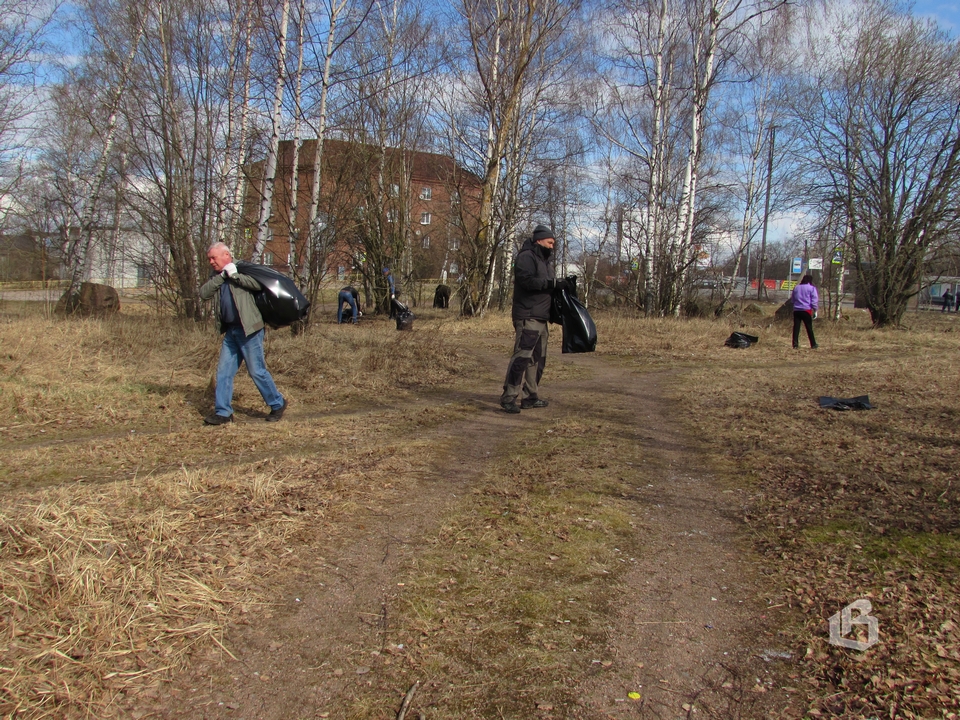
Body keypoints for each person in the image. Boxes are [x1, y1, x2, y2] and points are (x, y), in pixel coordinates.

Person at [199, 243, 287, 425]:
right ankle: (223, 413)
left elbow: (257, 285)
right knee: (223, 372)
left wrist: (235, 276)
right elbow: (203, 293)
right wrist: (222, 276)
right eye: (209, 258)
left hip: (250, 330)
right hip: (231, 331)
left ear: (226, 255)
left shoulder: (244, 268)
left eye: (213, 258)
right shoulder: (216, 275)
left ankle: (277, 403)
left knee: (256, 371)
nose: (211, 262)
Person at [499, 224, 573, 414]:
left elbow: (547, 286)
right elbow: (527, 281)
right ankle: (509, 398)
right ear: (539, 240)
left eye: (553, 243)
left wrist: (561, 286)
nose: (552, 246)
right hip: (528, 316)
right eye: (550, 242)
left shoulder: (544, 262)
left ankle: (530, 396)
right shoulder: (526, 257)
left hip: (541, 317)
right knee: (522, 358)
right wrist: (553, 283)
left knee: (537, 360)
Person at [791, 274, 819, 349]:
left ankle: (795, 344)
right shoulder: (812, 288)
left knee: (796, 328)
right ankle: (813, 344)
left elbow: (793, 299)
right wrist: (815, 310)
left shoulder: (796, 288)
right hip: (806, 310)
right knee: (809, 328)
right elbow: (814, 301)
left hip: (797, 310)